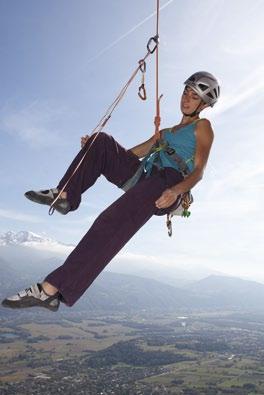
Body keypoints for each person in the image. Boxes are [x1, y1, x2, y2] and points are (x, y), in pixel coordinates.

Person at [1, 71, 220, 312]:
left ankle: (51, 290)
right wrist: (94, 152)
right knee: (101, 140)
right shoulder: (166, 133)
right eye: (185, 93)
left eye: (194, 96)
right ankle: (64, 196)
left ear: (204, 103)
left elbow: (198, 172)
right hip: (146, 177)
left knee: (111, 221)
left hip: (168, 184)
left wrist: (175, 190)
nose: (186, 99)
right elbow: (133, 154)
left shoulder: (203, 127)